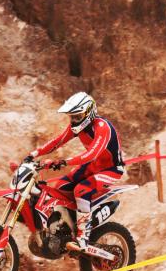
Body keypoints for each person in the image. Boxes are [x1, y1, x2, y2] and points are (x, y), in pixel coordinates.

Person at [24, 92, 125, 249]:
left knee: (81, 190)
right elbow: (57, 141)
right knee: (60, 186)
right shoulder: (77, 128)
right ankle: (68, 229)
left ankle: (83, 235)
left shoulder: (102, 128)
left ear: (88, 113)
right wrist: (34, 154)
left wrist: (64, 162)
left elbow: (91, 155)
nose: (73, 121)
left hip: (110, 169)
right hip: (92, 166)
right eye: (71, 117)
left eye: (77, 116)